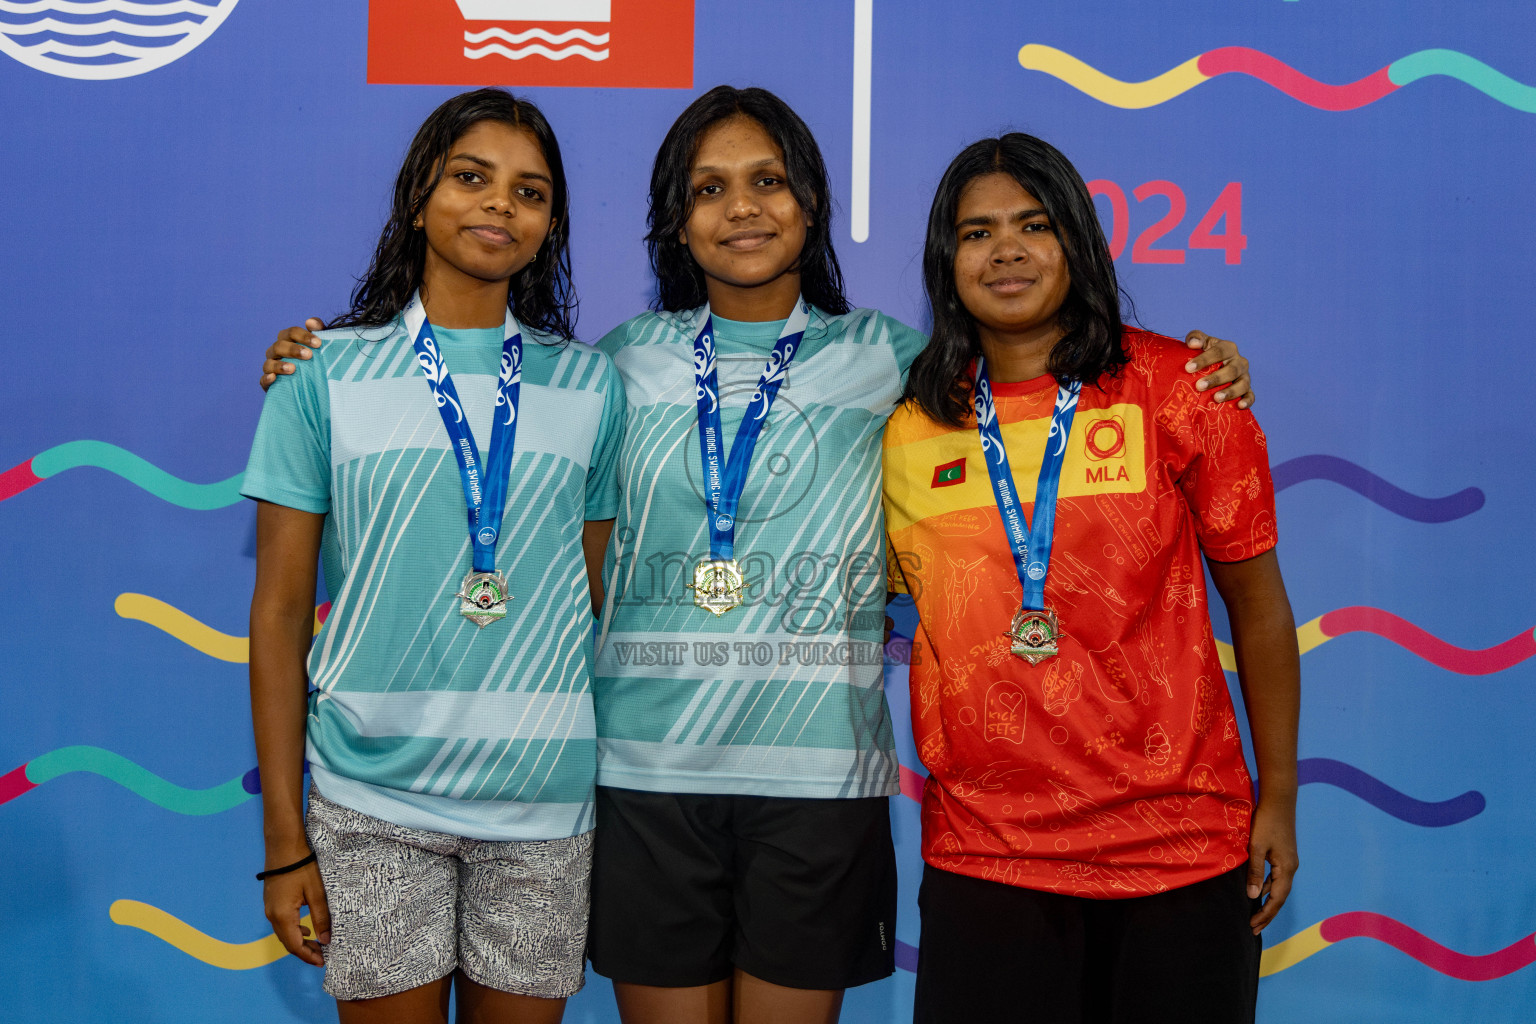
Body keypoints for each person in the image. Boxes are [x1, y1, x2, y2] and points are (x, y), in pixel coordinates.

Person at [255, 86, 1258, 1024]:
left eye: (768, 180)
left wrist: (1194, 365)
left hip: (819, 792)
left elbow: (1028, 378)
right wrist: (315, 356)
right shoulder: (611, 368)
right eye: (709, 188)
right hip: (646, 784)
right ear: (676, 221)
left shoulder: (895, 364)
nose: (742, 208)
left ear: (812, 203)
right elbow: (565, 550)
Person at [882, 133, 1300, 1024]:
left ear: (1077, 238)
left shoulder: (1182, 392)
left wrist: (1280, 801)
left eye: (1034, 225)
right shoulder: (911, 425)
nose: (1006, 251)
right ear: (944, 259)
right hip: (987, 859)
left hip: (1181, 850)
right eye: (976, 231)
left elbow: (1261, 613)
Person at [244, 88, 626, 1024]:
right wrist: (285, 838)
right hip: (373, 802)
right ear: (418, 197)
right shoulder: (319, 374)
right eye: (471, 178)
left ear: (548, 226)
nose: (500, 204)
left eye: (530, 192)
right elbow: (281, 613)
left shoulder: (590, 385)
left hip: (542, 812)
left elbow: (592, 597)